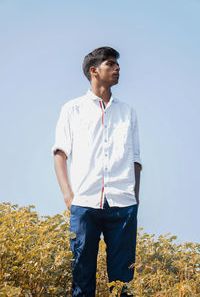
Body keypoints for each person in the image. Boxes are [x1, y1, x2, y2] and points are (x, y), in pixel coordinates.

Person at [52, 46, 142, 297]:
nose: (117, 68)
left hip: (123, 205)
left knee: (124, 283)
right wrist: (69, 197)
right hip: (84, 203)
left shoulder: (128, 112)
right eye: (111, 64)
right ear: (94, 70)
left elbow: (135, 159)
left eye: (117, 64)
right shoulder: (72, 109)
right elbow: (60, 154)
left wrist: (135, 197)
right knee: (81, 279)